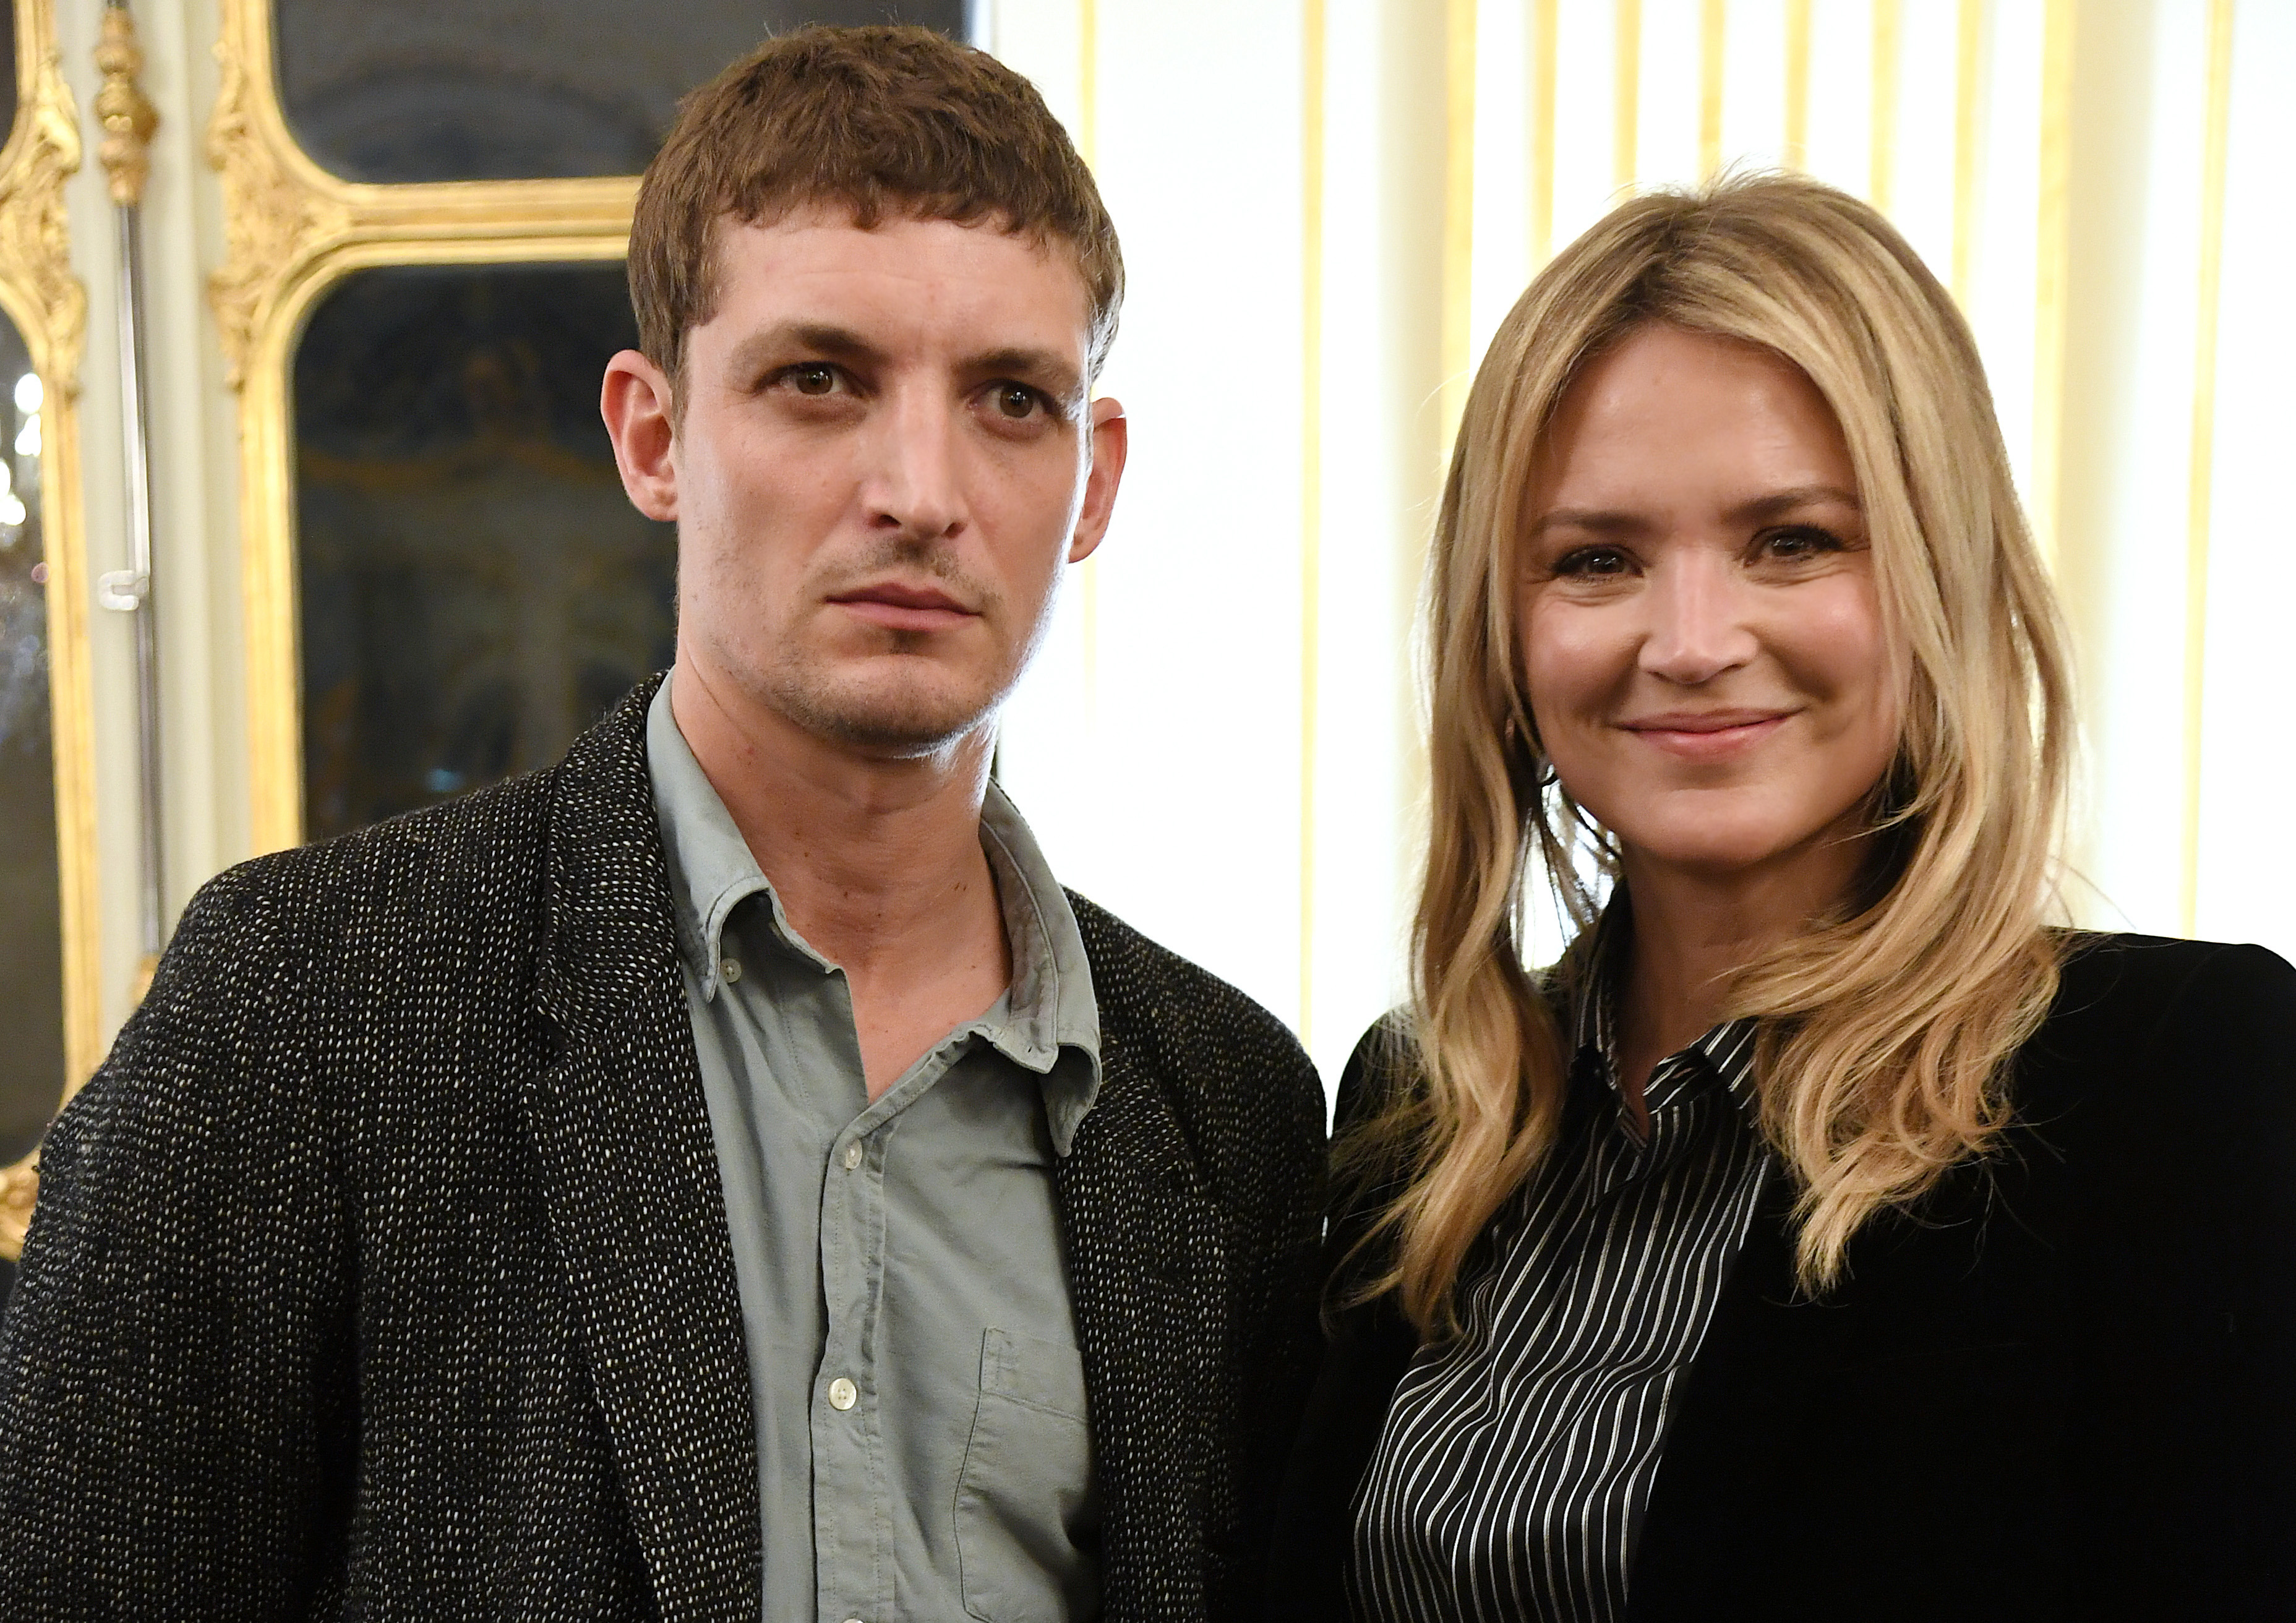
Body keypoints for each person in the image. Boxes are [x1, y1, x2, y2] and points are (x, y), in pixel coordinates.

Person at [0, 27, 1326, 1621]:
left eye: (1011, 399)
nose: (920, 487)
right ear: (652, 436)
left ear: (1093, 482)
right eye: (818, 380)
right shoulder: (311, 999)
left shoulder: (1228, 1103)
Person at [1265, 172, 2295, 1622]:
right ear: (1505, 628)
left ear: (1935, 569)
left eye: (1791, 540)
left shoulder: (2183, 1076)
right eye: (1596, 559)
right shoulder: (1417, 1115)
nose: (1688, 642)